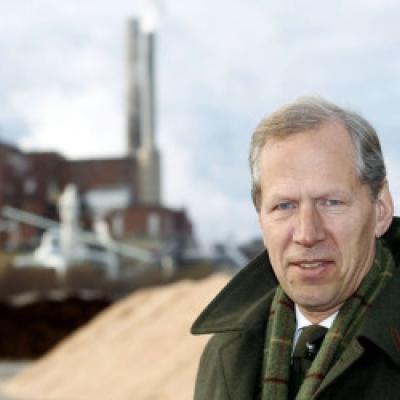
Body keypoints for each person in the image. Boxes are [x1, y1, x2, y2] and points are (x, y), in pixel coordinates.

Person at [191, 96, 400, 400]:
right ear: (261, 220)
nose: (307, 234)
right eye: (284, 206)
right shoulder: (225, 355)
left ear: (380, 209)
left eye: (331, 202)